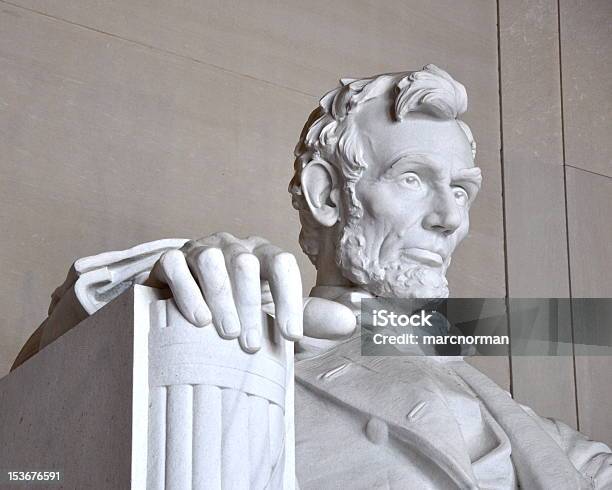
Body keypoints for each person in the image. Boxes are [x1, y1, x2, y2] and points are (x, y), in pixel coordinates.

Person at [13, 65, 612, 489]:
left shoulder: (526, 418)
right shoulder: (254, 335)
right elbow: (36, 401)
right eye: (413, 179)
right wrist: (165, 282)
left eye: (460, 189)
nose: (450, 217)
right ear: (328, 194)